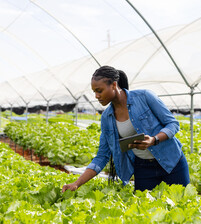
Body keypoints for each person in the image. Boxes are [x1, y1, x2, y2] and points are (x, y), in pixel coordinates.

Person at [62, 66, 190, 192]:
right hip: (143, 168)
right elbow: (102, 156)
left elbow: (173, 124)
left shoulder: (144, 97)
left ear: (113, 85)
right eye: (94, 92)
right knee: (146, 210)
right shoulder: (107, 117)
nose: (96, 96)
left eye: (99, 91)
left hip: (172, 162)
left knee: (182, 206)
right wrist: (77, 183)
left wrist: (154, 139)